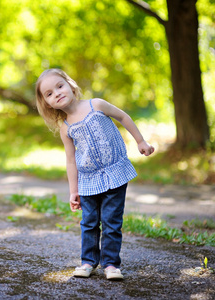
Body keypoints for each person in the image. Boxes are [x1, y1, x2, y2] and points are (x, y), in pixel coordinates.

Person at [35, 68, 154, 280]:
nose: (57, 93)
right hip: (88, 180)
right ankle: (88, 261)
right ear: (47, 103)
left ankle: (110, 264)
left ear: (70, 85)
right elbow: (71, 160)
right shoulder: (65, 127)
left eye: (59, 86)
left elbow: (123, 117)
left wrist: (140, 141)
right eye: (49, 94)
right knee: (89, 222)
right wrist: (74, 190)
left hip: (114, 173)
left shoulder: (96, 105)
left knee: (111, 221)